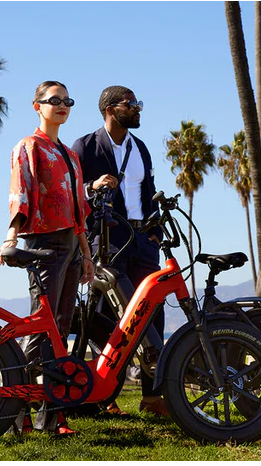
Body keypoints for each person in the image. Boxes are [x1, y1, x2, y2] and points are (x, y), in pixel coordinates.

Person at [0, 80, 94, 435]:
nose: (62, 105)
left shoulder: (71, 155)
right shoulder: (28, 146)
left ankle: (51, 415)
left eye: (67, 100)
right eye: (54, 100)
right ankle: (13, 412)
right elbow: (19, 193)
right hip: (43, 243)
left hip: (70, 245)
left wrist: (86, 255)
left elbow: (79, 210)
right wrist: (10, 236)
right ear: (37, 105)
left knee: (60, 329)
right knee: (41, 325)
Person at [72, 85, 168, 418]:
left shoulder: (140, 147)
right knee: (109, 318)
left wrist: (155, 233)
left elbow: (149, 192)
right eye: (132, 104)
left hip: (144, 242)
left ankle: (153, 396)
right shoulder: (84, 146)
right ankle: (105, 395)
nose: (138, 108)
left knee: (153, 308)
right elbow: (70, 192)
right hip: (108, 241)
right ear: (112, 109)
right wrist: (91, 187)